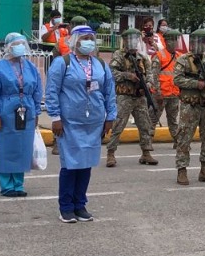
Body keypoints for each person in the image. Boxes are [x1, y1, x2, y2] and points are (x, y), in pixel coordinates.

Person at [45, 25, 116, 222]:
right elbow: (52, 91)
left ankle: (80, 205)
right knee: (70, 164)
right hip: (69, 122)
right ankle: (66, 207)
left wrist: (110, 116)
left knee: (86, 164)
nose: (89, 42)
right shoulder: (63, 63)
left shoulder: (101, 64)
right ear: (75, 41)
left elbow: (109, 92)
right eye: (85, 38)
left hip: (93, 123)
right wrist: (55, 118)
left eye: (91, 38)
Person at [0, 33, 44, 197]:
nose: (20, 47)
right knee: (6, 146)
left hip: (27, 109)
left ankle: (18, 184)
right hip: (6, 109)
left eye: (22, 44)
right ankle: (6, 185)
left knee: (22, 147)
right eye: (16, 44)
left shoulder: (31, 68)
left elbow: (37, 91)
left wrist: (37, 112)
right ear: (8, 47)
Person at [173, 27, 205, 185]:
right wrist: (196, 84)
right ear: (192, 44)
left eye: (204, 42)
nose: (201, 45)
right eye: (198, 42)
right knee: (184, 138)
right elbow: (177, 79)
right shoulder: (183, 60)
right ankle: (182, 170)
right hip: (189, 106)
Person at [106, 28, 158, 167]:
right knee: (119, 125)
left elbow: (150, 74)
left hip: (140, 96)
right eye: (130, 40)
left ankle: (146, 152)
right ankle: (111, 153)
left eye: (135, 39)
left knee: (145, 124)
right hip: (125, 96)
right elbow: (112, 72)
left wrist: (147, 83)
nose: (133, 43)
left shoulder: (142, 57)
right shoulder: (119, 55)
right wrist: (127, 76)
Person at [148, 28, 184, 143]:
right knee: (153, 119)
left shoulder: (179, 56)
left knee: (173, 120)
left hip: (173, 94)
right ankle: (147, 142)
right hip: (161, 95)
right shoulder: (159, 56)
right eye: (172, 40)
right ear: (167, 41)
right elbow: (154, 76)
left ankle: (177, 142)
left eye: (176, 40)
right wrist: (158, 93)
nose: (175, 43)